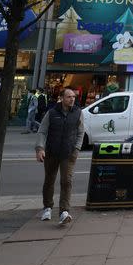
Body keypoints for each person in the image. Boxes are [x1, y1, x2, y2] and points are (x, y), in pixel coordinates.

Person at [35, 87, 84, 226]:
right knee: (49, 180)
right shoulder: (51, 113)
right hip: (51, 152)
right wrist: (40, 148)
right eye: (69, 97)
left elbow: (81, 132)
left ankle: (64, 211)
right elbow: (42, 131)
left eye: (73, 97)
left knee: (66, 181)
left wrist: (76, 149)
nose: (72, 99)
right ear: (62, 98)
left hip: (68, 153)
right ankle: (47, 207)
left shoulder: (78, 113)